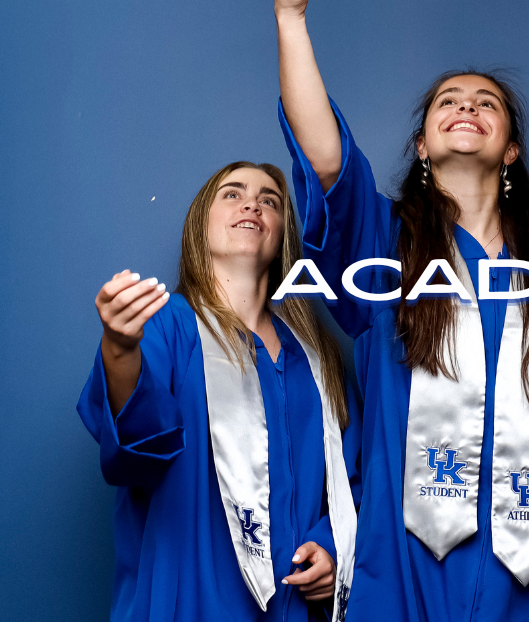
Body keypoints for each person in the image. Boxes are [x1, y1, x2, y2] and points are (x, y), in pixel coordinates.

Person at [242, 0, 529, 622]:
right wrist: (290, 13)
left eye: (486, 103)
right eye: (448, 102)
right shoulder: (385, 245)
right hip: (406, 565)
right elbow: (325, 160)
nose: (466, 106)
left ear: (511, 150)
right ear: (423, 146)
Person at [78, 162, 362, 622]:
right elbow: (135, 447)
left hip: (292, 605)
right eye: (232, 194)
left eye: (269, 200)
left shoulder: (316, 356)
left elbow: (353, 482)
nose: (252, 204)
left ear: (282, 236)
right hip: (189, 601)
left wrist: (332, 549)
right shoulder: (168, 326)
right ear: (200, 224)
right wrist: (120, 347)